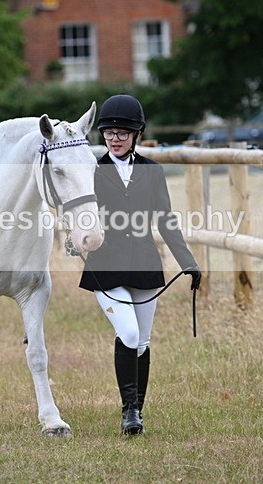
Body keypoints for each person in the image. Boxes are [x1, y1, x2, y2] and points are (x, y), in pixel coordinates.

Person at [79, 94, 201, 435]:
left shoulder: (153, 171)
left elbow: (166, 220)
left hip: (145, 265)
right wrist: (77, 240)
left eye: (122, 132)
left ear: (136, 134)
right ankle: (129, 411)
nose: (114, 138)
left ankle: (137, 413)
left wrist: (188, 262)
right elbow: (80, 215)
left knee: (143, 342)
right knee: (129, 334)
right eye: (108, 132)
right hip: (106, 267)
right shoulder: (92, 171)